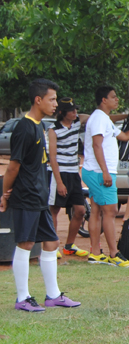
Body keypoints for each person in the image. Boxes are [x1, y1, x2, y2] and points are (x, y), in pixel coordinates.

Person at [3, 79, 80, 311]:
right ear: (38, 100)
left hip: (39, 197)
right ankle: (22, 298)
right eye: (52, 99)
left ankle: (53, 295)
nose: (56, 104)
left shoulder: (39, 125)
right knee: (25, 243)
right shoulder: (24, 127)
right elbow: (13, 166)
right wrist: (5, 194)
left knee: (52, 242)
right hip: (26, 195)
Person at [84, 85, 129, 267]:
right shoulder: (99, 119)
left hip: (96, 171)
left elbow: (124, 136)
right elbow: (97, 145)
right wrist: (105, 171)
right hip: (100, 172)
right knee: (110, 212)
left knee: (96, 211)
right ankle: (114, 254)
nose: (117, 99)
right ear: (104, 100)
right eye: (113, 97)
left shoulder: (103, 119)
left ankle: (95, 252)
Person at [47, 97, 93, 257]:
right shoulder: (53, 129)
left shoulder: (76, 122)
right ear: (62, 113)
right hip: (58, 173)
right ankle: (52, 247)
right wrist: (59, 182)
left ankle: (69, 245)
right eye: (71, 110)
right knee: (54, 209)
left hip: (73, 173)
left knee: (80, 210)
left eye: (76, 110)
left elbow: (94, 116)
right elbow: (52, 157)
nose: (75, 113)